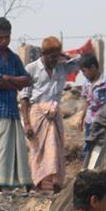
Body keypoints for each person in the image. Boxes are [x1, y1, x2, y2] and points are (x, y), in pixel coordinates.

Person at [20, 36, 83, 194]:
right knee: (38, 150)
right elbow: (24, 98)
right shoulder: (31, 68)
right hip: (37, 114)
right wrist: (27, 123)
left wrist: (65, 56)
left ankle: (54, 185)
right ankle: (39, 184)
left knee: (55, 150)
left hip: (54, 115)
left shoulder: (62, 67)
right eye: (52, 56)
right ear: (44, 54)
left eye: (57, 56)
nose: (55, 60)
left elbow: (82, 62)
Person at [0, 17, 32, 191]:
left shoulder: (15, 58)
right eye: (0, 37)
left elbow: (27, 79)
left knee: (15, 148)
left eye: (7, 37)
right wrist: (14, 82)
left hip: (11, 108)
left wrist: (8, 78)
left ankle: (16, 184)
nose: (4, 40)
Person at [77, 53, 106, 162]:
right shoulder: (86, 84)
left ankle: (100, 161)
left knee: (102, 141)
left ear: (93, 68)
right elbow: (86, 101)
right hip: (90, 119)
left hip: (103, 119)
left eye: (84, 71)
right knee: (89, 141)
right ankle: (87, 162)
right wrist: (81, 118)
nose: (84, 74)